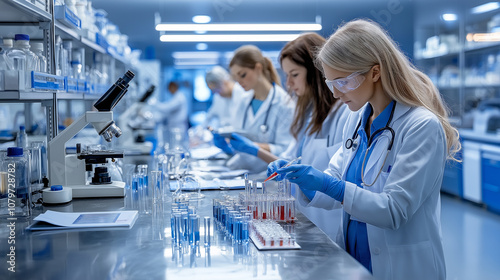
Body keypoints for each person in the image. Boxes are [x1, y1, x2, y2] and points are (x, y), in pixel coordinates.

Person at [268, 19, 460, 280]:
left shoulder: (421, 126)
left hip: (402, 267)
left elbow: (394, 210)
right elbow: (333, 180)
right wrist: (305, 180)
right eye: (330, 83)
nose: (336, 93)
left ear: (375, 72)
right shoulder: (356, 118)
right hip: (355, 260)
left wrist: (330, 185)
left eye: (343, 82)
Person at [228, 33, 349, 240]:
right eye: (287, 76)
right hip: (306, 219)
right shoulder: (308, 114)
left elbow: (341, 180)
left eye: (294, 74)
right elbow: (292, 158)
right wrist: (281, 164)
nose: (289, 84)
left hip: (330, 224)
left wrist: (255, 150)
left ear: (316, 71)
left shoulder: (344, 114)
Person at [212, 45, 295, 173]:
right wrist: (228, 145)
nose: (239, 82)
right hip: (240, 173)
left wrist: (253, 147)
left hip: (268, 177)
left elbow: (286, 150)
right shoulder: (243, 100)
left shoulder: (284, 103)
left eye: (242, 75)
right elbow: (238, 136)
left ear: (258, 68)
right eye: (236, 78)